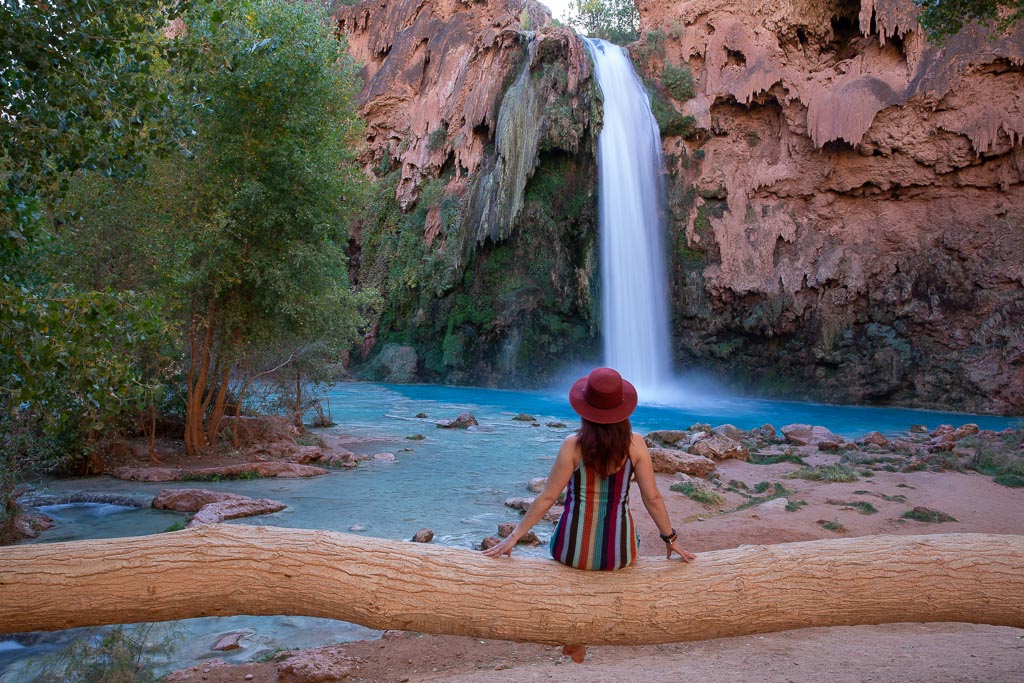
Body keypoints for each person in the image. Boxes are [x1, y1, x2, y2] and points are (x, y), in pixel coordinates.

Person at [483, 367, 696, 662]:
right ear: (623, 409)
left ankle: (578, 636)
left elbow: (547, 497)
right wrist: (670, 539)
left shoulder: (573, 445)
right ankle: (585, 635)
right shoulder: (636, 444)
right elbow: (652, 497)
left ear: (585, 409)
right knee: (623, 533)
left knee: (573, 537)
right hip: (618, 554)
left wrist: (514, 538)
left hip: (571, 552)